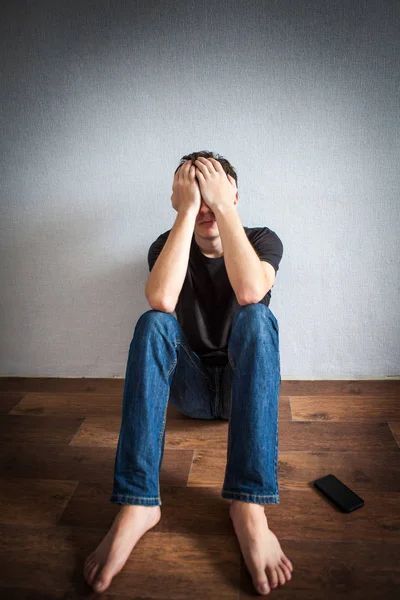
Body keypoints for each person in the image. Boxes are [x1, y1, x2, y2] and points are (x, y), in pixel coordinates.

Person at [84, 151, 294, 596]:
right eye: (193, 196)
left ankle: (248, 503)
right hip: (192, 390)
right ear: (180, 201)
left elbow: (251, 289)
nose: (204, 207)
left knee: (257, 317)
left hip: (241, 390)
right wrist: (186, 211)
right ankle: (138, 504)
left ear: (234, 197)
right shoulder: (167, 245)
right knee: (154, 321)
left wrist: (221, 204)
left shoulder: (263, 238)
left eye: (213, 194)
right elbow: (161, 300)